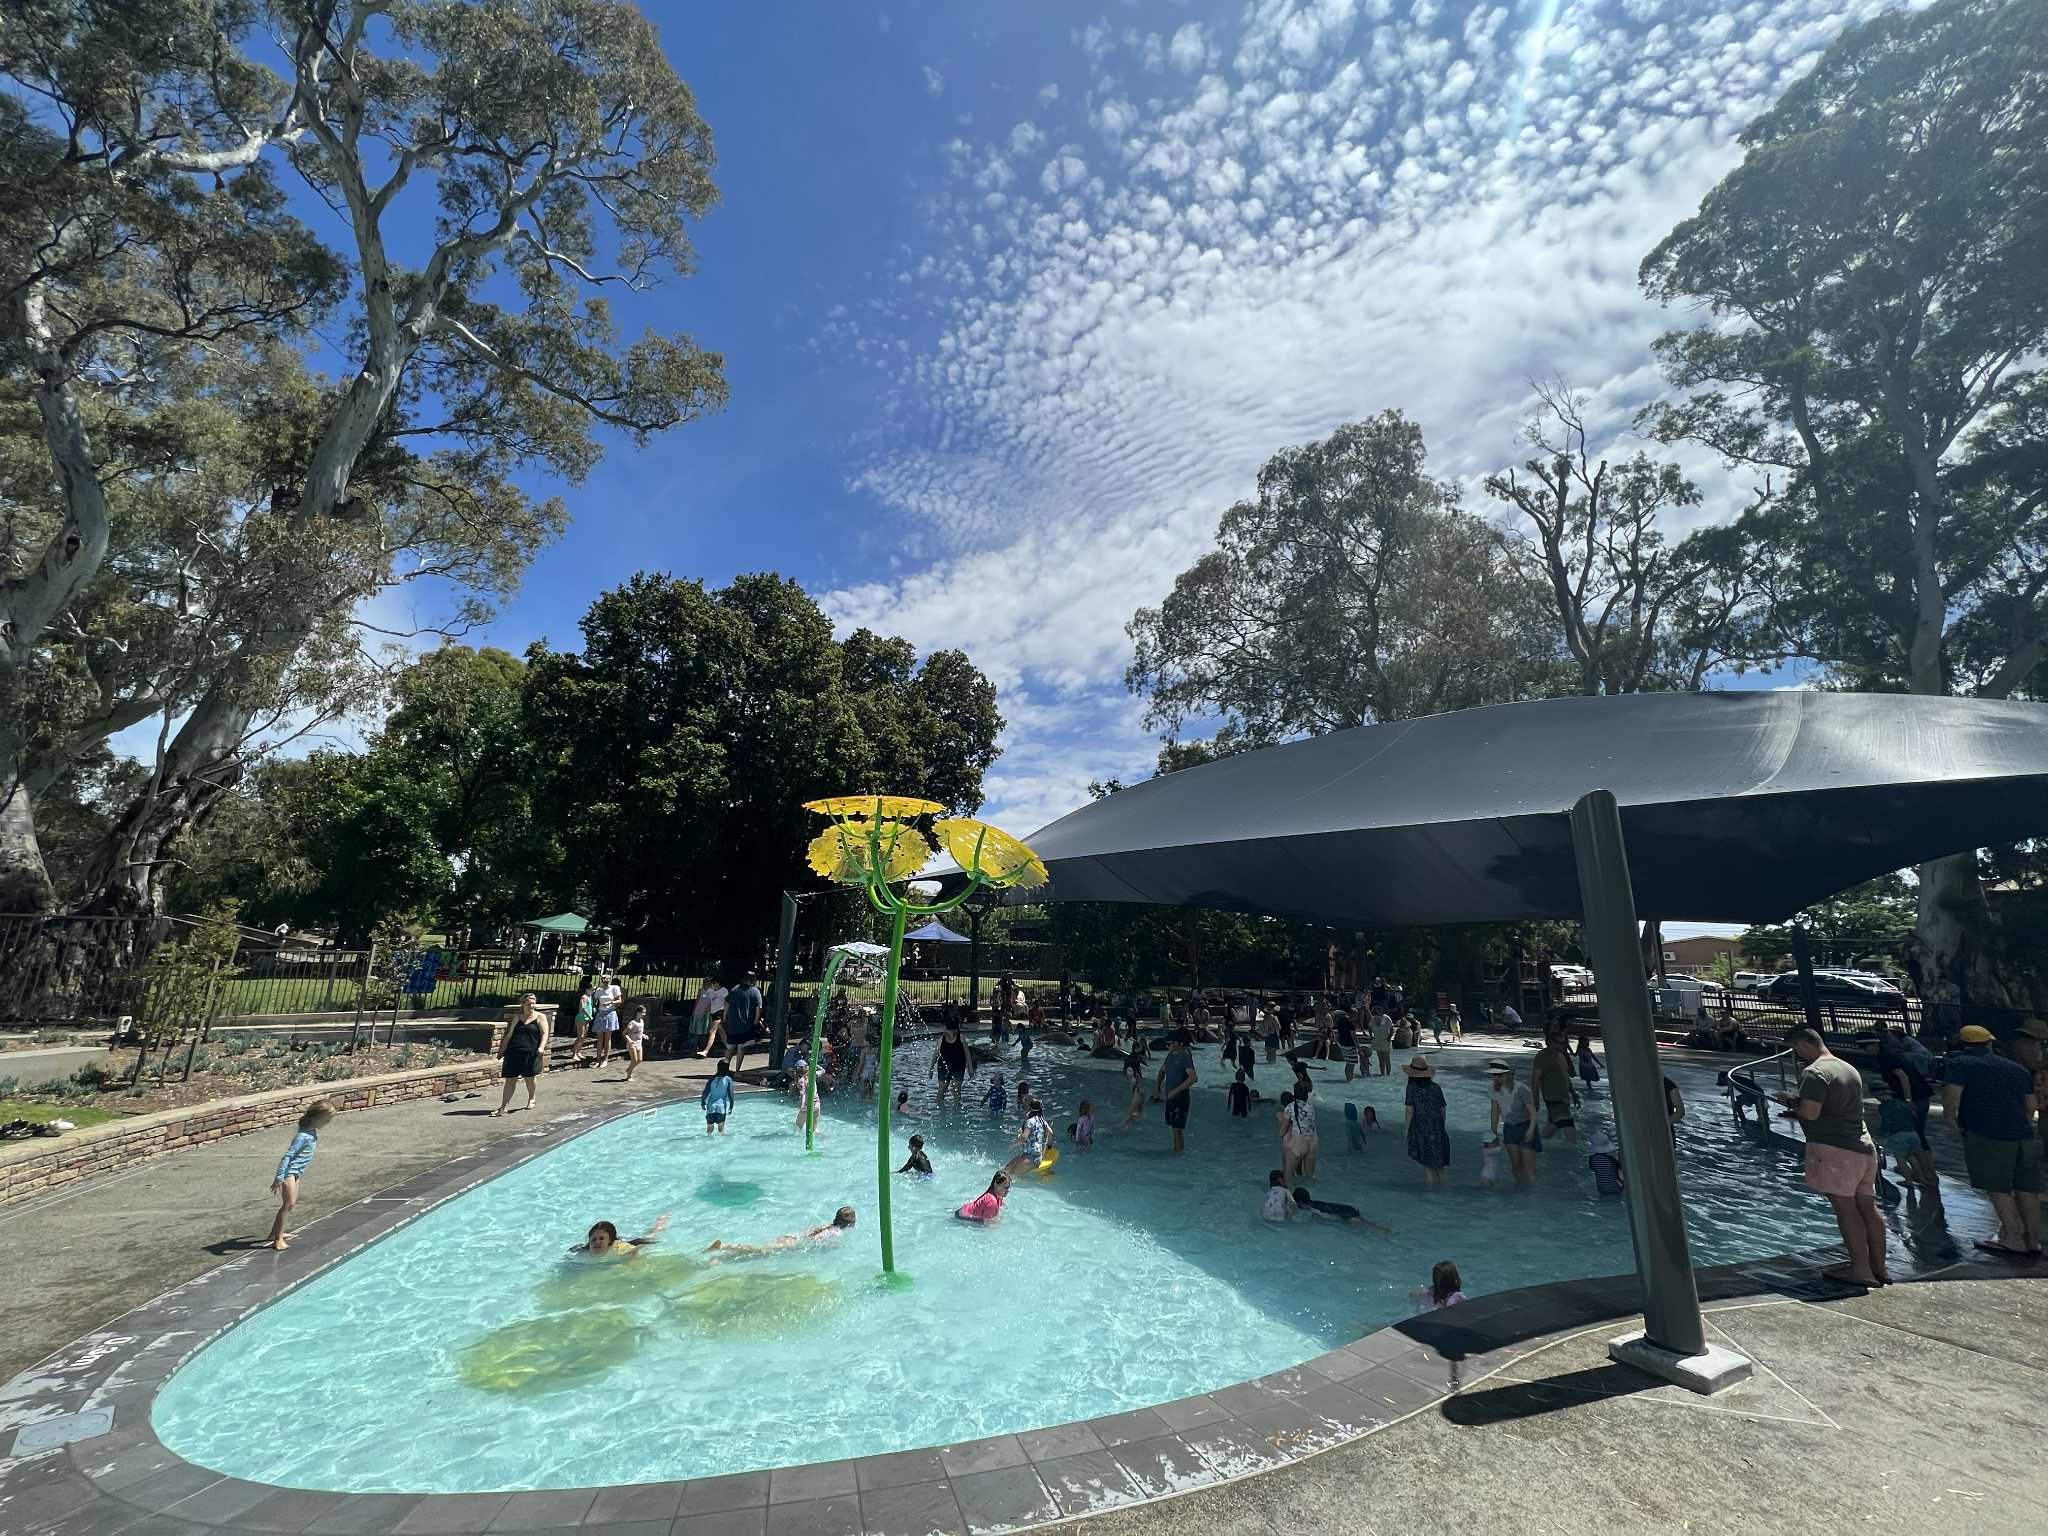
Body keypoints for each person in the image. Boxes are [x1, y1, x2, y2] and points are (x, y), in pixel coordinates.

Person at [1774, 1028, 1888, 1286]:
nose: (1796, 1055)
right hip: (1863, 1146)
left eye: (1795, 1050)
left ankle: (1861, 1271)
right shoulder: (1847, 1068)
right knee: (1868, 1208)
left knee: (1846, 1210)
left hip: (1835, 1150)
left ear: (1804, 1045)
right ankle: (1879, 1268)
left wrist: (1790, 1100)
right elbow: (1835, 1109)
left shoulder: (1814, 1072)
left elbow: (1811, 1113)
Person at [1941, 1024, 2041, 1257]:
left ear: (1963, 1044)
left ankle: (2013, 1239)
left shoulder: (1960, 1064)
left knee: (1998, 1188)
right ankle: (2033, 1241)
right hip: (2023, 1136)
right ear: (1990, 1043)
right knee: (2027, 1189)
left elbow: (1952, 1096)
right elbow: (2031, 1106)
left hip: (1987, 1134)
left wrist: (1951, 1122)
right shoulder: (2017, 1069)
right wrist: (2021, 1125)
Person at [266, 1099, 335, 1250]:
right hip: (289, 1173)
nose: (328, 1123)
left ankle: (275, 1233)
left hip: (296, 1173)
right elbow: (287, 1156)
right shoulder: (303, 1136)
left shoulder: (311, 1132)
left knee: (290, 1204)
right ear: (317, 1118)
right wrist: (279, 1178)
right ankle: (278, 1240)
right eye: (327, 1120)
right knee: (288, 1204)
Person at [1875, 1030, 1937, 1185]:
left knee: (1917, 1137)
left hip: (1914, 1098)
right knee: (1917, 1136)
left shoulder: (1886, 1057)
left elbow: (1903, 1077)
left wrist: (1907, 1099)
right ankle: (1924, 1173)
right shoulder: (1891, 1054)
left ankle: (1928, 1174)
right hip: (1920, 1095)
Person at [706, 1207, 856, 1258]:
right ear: (850, 1223)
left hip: (791, 1236)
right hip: (794, 1242)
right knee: (757, 1249)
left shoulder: (829, 1225)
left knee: (758, 1251)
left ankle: (723, 1255)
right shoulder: (836, 1232)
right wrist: (833, 1247)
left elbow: (814, 1232)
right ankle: (723, 1247)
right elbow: (817, 1239)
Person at [493, 994, 548, 1116]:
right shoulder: (517, 1017)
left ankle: (531, 1098)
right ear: (522, 1004)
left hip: (530, 1052)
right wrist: (502, 1050)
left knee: (529, 1078)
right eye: (529, 1003)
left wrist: (541, 1047)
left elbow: (544, 1034)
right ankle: (504, 1106)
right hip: (513, 1051)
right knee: (510, 1080)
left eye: (533, 1003)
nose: (531, 1006)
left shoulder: (540, 1017)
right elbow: (509, 1034)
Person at [1488, 1058, 1541, 1184]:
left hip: (1526, 1126)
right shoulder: (1492, 1089)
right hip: (1509, 1128)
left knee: (1529, 1169)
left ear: (1507, 1074)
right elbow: (1495, 1111)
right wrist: (1493, 1131)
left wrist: (1531, 1130)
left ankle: (1531, 1195)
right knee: (1516, 1166)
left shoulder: (1521, 1089)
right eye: (1493, 1074)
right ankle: (1520, 1192)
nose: (1496, 1077)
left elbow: (1533, 1112)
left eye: (1499, 1074)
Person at [1404, 1056, 1450, 1187]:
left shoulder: (1411, 1088)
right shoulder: (1436, 1087)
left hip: (1421, 1128)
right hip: (1438, 1128)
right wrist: (1441, 1128)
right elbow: (1443, 1110)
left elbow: (1409, 1111)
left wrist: (1406, 1130)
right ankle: (1444, 1194)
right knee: (1440, 1168)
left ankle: (1431, 1197)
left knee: (1428, 1168)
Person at [1876, 1081, 1930, 1188]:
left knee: (1900, 1159)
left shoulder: (1884, 1106)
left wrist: (1881, 1134)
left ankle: (1908, 1180)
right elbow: (1914, 1115)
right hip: (1913, 1133)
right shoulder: (1902, 1103)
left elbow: (1886, 1122)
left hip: (1899, 1135)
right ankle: (1921, 1178)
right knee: (1911, 1157)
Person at [1155, 1030, 1197, 1154]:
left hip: (1180, 1097)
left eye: (1169, 1044)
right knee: (1174, 1128)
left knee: (1178, 1128)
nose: (1167, 1046)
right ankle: (1176, 1151)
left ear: (1178, 1043)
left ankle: (1179, 1153)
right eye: (1166, 1044)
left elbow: (1193, 1077)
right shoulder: (1170, 1056)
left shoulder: (1185, 1056)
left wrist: (1175, 1091)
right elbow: (1162, 1071)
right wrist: (1157, 1087)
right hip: (1171, 1097)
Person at [1531, 1030, 1577, 1143]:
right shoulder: (1543, 1056)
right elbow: (1535, 1079)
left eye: (1564, 1042)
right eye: (1560, 1043)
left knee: (1554, 1123)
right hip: (1553, 1097)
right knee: (1566, 1123)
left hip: (1564, 1096)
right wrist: (1535, 1099)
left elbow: (1565, 1076)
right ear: (1550, 1042)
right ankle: (1574, 1149)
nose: (1563, 1045)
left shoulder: (1561, 1055)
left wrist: (1573, 1093)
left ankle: (1537, 1144)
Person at [1292, 1187, 1391, 1234]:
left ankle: (1382, 1230)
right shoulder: (1314, 1203)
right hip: (1345, 1209)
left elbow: (1328, 1217)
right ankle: (1382, 1229)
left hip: (1345, 1214)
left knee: (1365, 1225)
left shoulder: (1312, 1209)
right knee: (1365, 1223)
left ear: (1299, 1202)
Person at [570, 1213, 670, 1258]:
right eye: (594, 1239)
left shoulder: (619, 1248)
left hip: (627, 1242)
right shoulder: (583, 1254)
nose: (597, 1242)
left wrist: (631, 1259)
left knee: (650, 1237)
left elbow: (636, 1249)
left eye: (601, 1238)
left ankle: (658, 1224)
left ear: (609, 1241)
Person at [1283, 1078, 1319, 1181]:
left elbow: (1284, 1128)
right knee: (1310, 1177)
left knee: (1288, 1177)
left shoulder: (1289, 1107)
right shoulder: (1311, 1107)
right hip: (1313, 1142)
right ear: (1306, 1094)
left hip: (1299, 1142)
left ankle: (1291, 1195)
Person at [1005, 1099, 1053, 1178]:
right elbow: (1051, 1134)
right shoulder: (1042, 1121)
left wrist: (1012, 1146)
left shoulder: (1030, 1121)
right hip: (1036, 1157)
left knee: (1010, 1178)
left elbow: (1023, 1138)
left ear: (1029, 1109)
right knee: (1006, 1169)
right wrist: (1049, 1148)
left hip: (1030, 1158)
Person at [724, 973, 764, 1065]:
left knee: (730, 1048)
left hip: (733, 1023)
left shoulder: (735, 989)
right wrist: (756, 1021)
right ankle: (737, 1071)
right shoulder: (755, 991)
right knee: (741, 1047)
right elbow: (759, 1007)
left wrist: (725, 1016)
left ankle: (724, 1068)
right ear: (754, 980)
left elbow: (726, 1002)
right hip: (746, 1024)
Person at [933, 1023, 971, 1102]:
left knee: (957, 1092)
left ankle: (956, 1111)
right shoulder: (941, 1040)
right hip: (944, 1067)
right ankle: (941, 1110)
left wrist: (970, 1068)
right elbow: (935, 1055)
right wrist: (931, 1069)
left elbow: (967, 1054)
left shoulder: (961, 1038)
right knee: (942, 1090)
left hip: (958, 1067)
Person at [592, 974, 621, 1069]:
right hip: (601, 1013)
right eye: (603, 979)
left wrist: (611, 1002)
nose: (605, 980)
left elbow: (619, 1001)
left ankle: (605, 1059)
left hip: (610, 1013)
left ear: (610, 979)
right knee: (599, 1038)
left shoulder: (614, 988)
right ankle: (598, 1060)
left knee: (607, 1037)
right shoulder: (599, 990)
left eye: (607, 979)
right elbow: (595, 1000)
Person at [701, 1057, 735, 1136]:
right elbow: (731, 1095)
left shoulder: (712, 1079)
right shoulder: (728, 1080)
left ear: (717, 1067)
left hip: (711, 1106)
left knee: (709, 1129)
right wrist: (731, 1106)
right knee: (721, 1130)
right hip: (721, 1107)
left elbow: (705, 1092)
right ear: (727, 1069)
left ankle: (708, 1141)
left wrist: (703, 1102)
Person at [1587, 1131, 1625, 1197]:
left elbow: (1592, 1168)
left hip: (1602, 1189)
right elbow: (1621, 1169)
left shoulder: (1593, 1159)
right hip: (1617, 1189)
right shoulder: (1612, 1158)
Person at [569, 982, 595, 1067]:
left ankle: (578, 1051)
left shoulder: (590, 997)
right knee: (580, 1036)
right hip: (581, 1019)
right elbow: (582, 1008)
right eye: (592, 990)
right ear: (587, 990)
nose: (593, 991)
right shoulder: (584, 997)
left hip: (586, 1019)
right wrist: (589, 1015)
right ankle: (574, 1054)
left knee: (584, 1037)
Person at [622, 1004, 647, 1082]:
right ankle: (628, 1075)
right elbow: (624, 1033)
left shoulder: (642, 1022)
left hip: (639, 1044)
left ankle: (628, 1069)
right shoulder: (632, 1022)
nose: (644, 1014)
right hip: (632, 1044)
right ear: (638, 1013)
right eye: (643, 1012)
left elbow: (639, 1032)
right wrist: (629, 1040)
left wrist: (643, 1035)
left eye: (645, 1012)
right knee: (634, 1060)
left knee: (639, 1060)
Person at [1371, 1007, 1394, 1077]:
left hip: (1385, 1039)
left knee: (1387, 1058)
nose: (1378, 1010)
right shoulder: (1373, 1018)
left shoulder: (1387, 1018)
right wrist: (1371, 1036)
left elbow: (1391, 1029)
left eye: (1380, 1009)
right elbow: (1369, 1027)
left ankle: (1388, 1074)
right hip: (1377, 1039)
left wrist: (1389, 1037)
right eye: (1377, 1009)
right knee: (1380, 1058)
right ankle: (1382, 1073)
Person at [1336, 1007, 1357, 1081]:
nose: (1356, 1016)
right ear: (1352, 1013)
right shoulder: (1350, 1023)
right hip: (1350, 1045)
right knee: (1351, 1064)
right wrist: (1359, 1048)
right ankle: (1349, 1080)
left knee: (1348, 1063)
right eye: (1356, 1014)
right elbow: (1354, 1036)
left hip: (1343, 1044)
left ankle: (1348, 1079)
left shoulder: (1340, 1021)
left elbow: (1338, 1033)